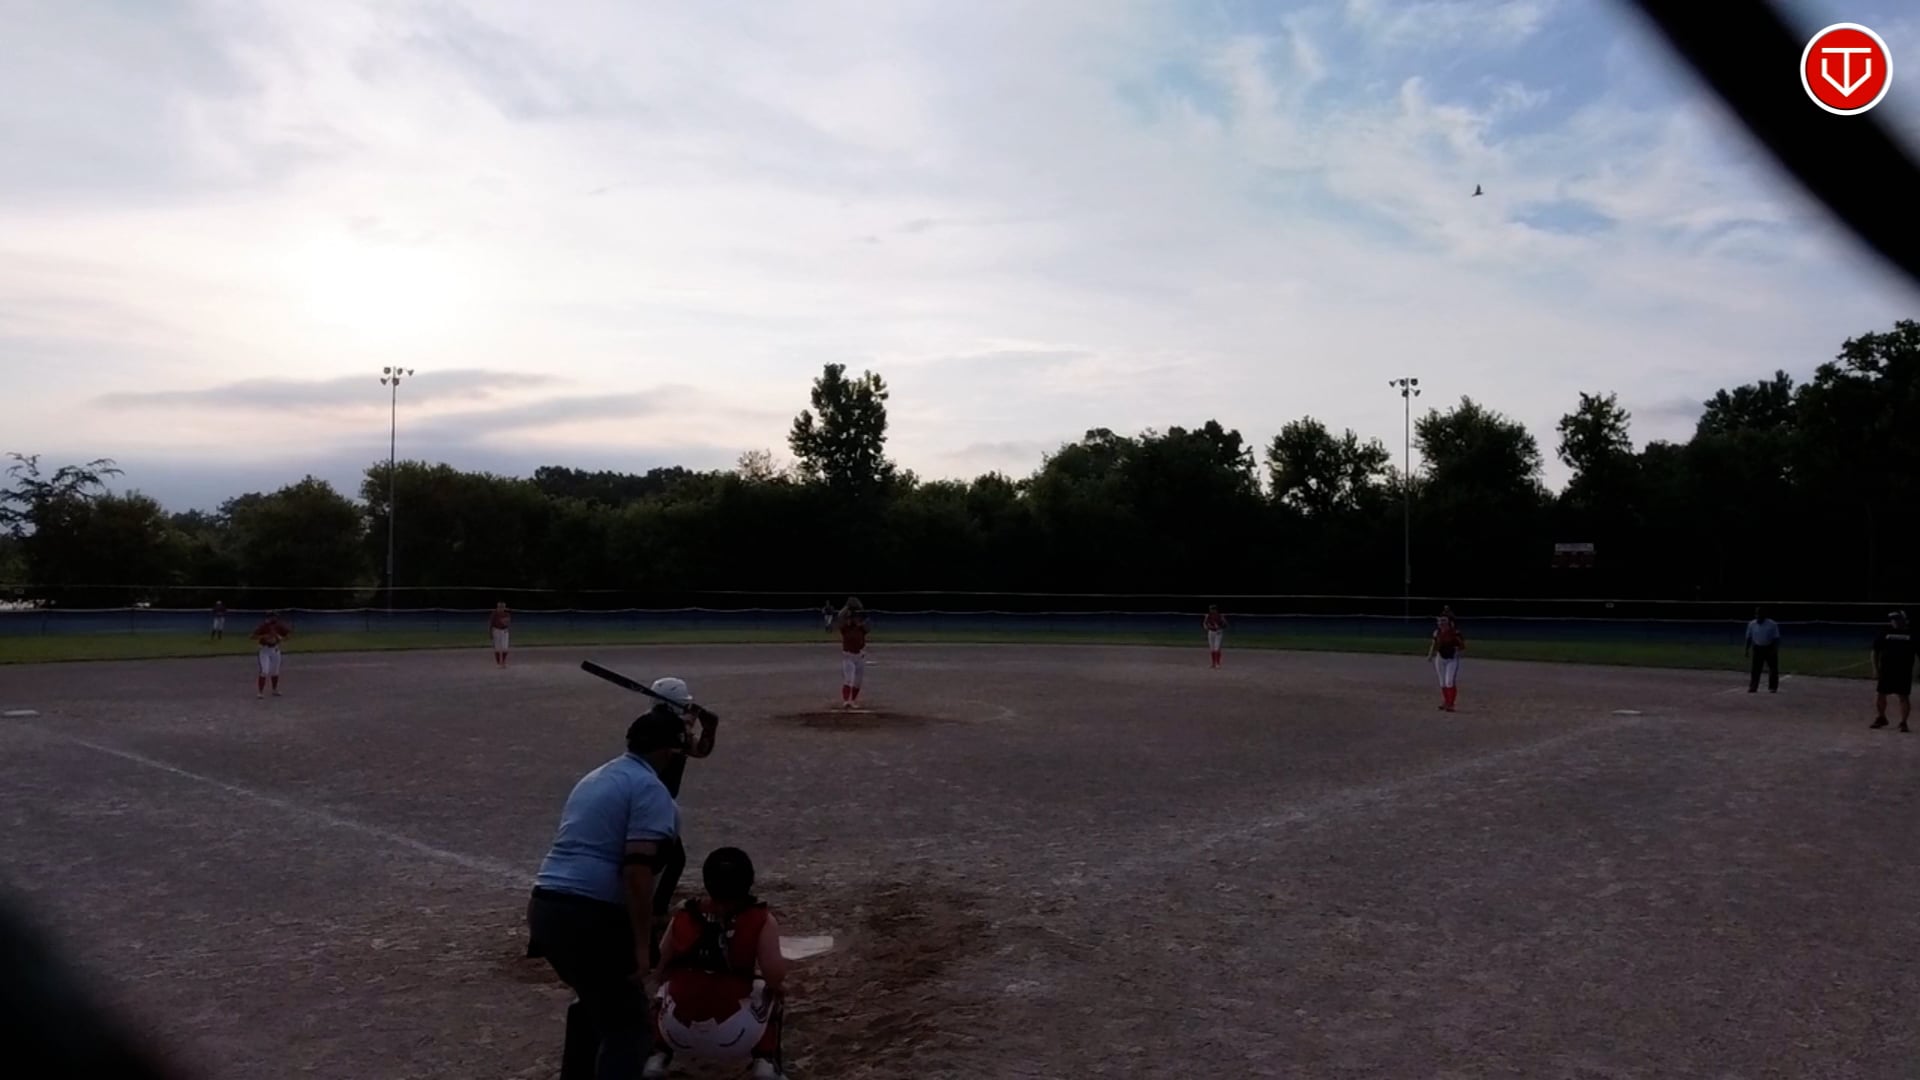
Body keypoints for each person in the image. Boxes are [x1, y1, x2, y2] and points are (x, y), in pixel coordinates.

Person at [526, 707, 689, 1080]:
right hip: (589, 915)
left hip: (546, 906)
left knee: (594, 1003)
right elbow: (637, 872)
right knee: (629, 1027)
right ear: (669, 752)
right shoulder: (650, 789)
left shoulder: (595, 778)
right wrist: (641, 945)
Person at [644, 847, 791, 1080]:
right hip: (736, 1034)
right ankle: (765, 1060)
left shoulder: (684, 913)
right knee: (772, 991)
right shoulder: (760, 918)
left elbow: (658, 967)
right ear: (749, 881)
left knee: (663, 988)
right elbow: (775, 976)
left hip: (676, 1032)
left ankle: (658, 1055)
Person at [642, 678, 720, 958]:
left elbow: (699, 750)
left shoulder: (668, 726)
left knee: (671, 861)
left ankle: (653, 916)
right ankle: (650, 921)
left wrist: (709, 728)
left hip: (659, 804)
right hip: (648, 805)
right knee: (666, 863)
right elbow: (681, 740)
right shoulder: (654, 727)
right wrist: (692, 719)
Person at [1870, 610, 1915, 732]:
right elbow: (1875, 651)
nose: (1894, 621)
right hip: (1886, 669)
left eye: (1897, 619)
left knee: (1903, 696)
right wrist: (1875, 668)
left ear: (1903, 620)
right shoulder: (1886, 632)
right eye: (1892, 619)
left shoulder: (1912, 634)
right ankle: (1881, 717)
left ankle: (1903, 722)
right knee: (1881, 694)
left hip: (1904, 670)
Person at [829, 598, 870, 708]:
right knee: (849, 680)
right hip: (848, 657)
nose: (856, 619)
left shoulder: (862, 628)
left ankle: (853, 700)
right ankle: (847, 701)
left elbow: (867, 625)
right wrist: (847, 607)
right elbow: (840, 617)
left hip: (860, 657)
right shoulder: (845, 628)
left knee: (858, 682)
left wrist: (860, 615)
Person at [1427, 606, 1466, 712]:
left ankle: (1451, 704)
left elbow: (1462, 646)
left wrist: (1459, 651)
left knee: (1449, 681)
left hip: (1452, 659)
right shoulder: (1437, 632)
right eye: (1440, 621)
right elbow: (1434, 644)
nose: (1441, 623)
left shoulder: (1455, 633)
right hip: (1440, 659)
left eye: (1443, 621)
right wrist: (1430, 655)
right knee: (1442, 682)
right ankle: (1446, 702)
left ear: (1449, 622)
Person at [250, 611, 292, 699]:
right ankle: (260, 692)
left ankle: (274, 690)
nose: (274, 619)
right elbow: (252, 636)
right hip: (265, 650)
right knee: (264, 671)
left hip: (275, 650)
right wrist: (264, 636)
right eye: (272, 617)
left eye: (275, 617)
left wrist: (280, 637)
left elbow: (288, 636)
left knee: (275, 671)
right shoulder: (263, 626)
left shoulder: (279, 626)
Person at [1745, 606, 1782, 693]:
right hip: (1757, 648)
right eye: (1757, 614)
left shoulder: (1772, 624)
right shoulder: (1752, 624)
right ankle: (1753, 686)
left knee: (1773, 668)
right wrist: (1746, 649)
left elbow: (1776, 638)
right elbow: (1749, 637)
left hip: (1769, 647)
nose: (1758, 616)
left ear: (1764, 615)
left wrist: (1775, 649)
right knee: (1755, 669)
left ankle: (1773, 687)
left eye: (1760, 614)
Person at [490, 602, 513, 668]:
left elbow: (507, 623)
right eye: (500, 607)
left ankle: (503, 662)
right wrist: (491, 633)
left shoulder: (507, 614)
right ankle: (498, 663)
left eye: (502, 607)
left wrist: (505, 623)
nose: (501, 608)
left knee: (505, 647)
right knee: (497, 648)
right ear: (498, 607)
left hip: (505, 631)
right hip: (496, 630)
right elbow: (491, 624)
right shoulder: (494, 614)